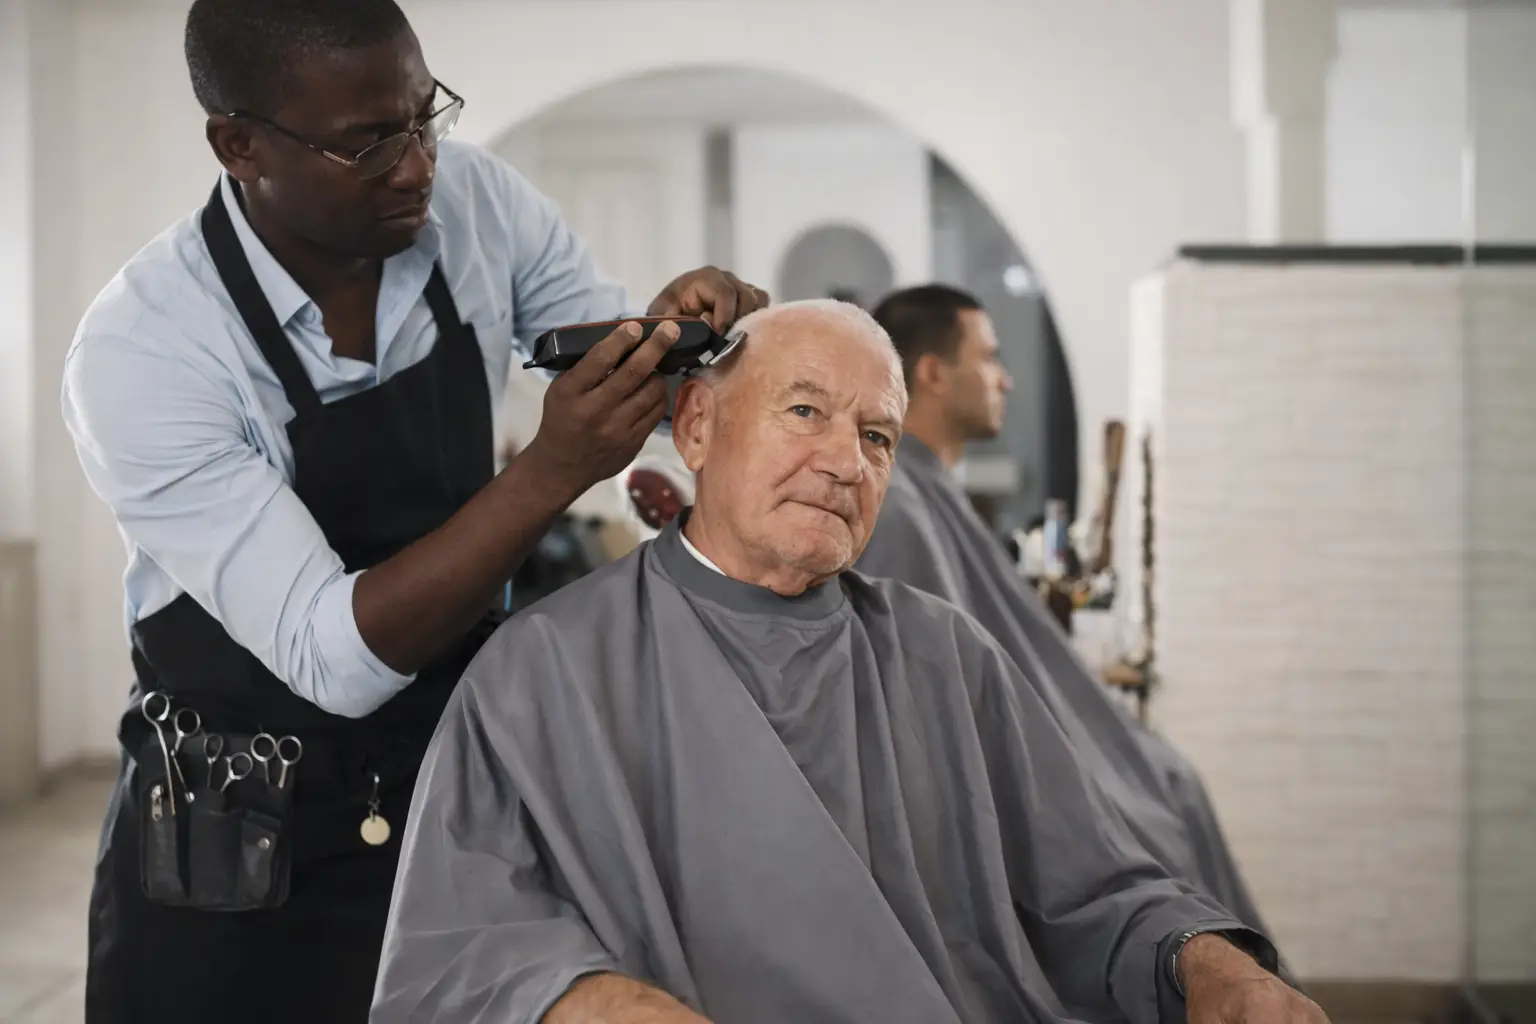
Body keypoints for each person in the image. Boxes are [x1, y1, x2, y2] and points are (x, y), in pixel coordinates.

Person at [60, 2, 767, 1021]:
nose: (415, 165)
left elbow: (623, 372)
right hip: (234, 839)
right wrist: (548, 471)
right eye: (366, 143)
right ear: (240, 144)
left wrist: (680, 339)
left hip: (446, 791)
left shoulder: (474, 205)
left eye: (424, 114)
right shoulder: (146, 350)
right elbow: (331, 656)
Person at [372, 299, 1327, 1024]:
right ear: (697, 427)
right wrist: (591, 1000)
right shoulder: (544, 670)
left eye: (877, 438)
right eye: (804, 411)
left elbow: (1103, 891)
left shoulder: (944, 655)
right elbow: (459, 949)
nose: (846, 463)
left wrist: (1215, 967)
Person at [855, 284, 1274, 941]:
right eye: (989, 358)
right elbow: (934, 695)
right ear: (933, 373)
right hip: (1002, 780)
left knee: (1170, 782)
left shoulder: (931, 490)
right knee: (1154, 816)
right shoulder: (901, 503)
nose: (1007, 378)